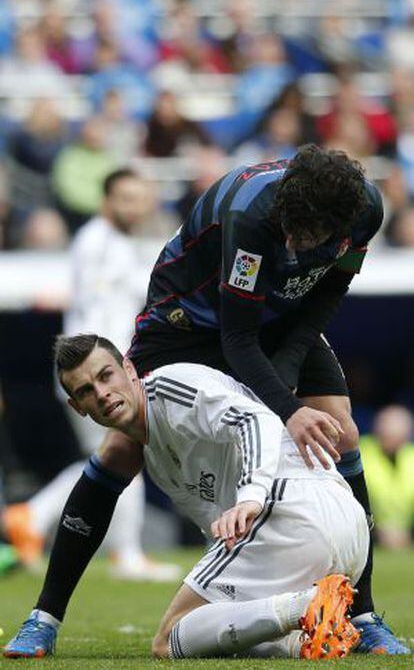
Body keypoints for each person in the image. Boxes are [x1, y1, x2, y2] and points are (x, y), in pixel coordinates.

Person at [3, 145, 409, 655]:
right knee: (119, 450)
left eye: (306, 237)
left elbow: (328, 293)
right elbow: (237, 339)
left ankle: (362, 613)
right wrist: (283, 406)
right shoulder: (252, 214)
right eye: (290, 227)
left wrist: (286, 384)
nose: (292, 241)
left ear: (342, 223)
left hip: (281, 316)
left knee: (340, 431)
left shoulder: (366, 210)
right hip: (189, 318)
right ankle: (44, 618)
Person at [4, 334, 369, 659]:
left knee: (169, 639)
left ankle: (304, 606)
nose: (101, 394)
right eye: (85, 391)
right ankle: (305, 635)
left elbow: (256, 421)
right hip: (340, 538)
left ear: (129, 370)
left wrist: (251, 497)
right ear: (77, 408)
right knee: (220, 623)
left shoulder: (169, 385)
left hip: (293, 509)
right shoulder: (155, 452)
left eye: (105, 376)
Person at [2, 169, 180, 581]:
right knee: (124, 449)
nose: (133, 207)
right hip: (95, 373)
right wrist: (107, 372)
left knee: (107, 455)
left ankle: (30, 515)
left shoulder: (112, 242)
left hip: (101, 371)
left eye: (139, 198)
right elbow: (95, 314)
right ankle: (127, 553)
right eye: (124, 198)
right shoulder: (99, 242)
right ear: (106, 200)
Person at [360, 405, 414, 549]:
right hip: (367, 533)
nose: (392, 441)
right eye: (388, 436)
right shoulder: (361, 453)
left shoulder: (411, 455)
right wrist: (378, 531)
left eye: (399, 437)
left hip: (407, 534)